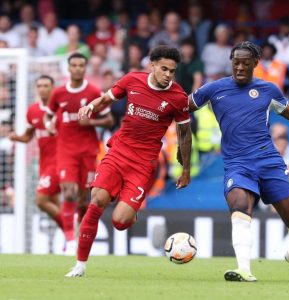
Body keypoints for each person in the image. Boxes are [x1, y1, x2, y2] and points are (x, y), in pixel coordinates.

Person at [188, 41, 289, 282]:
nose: (240, 68)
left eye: (246, 63)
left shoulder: (268, 90)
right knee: (239, 207)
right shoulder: (213, 89)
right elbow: (181, 108)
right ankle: (244, 269)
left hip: (269, 162)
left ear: (256, 64)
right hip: (237, 164)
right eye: (236, 63)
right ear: (231, 63)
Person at [65, 45, 192, 277]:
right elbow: (106, 99)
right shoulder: (132, 80)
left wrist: (186, 169)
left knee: (120, 222)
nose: (167, 75)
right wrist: (90, 107)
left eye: (172, 71)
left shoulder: (178, 97)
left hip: (143, 164)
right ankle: (80, 265)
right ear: (151, 65)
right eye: (163, 69)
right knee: (96, 200)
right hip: (118, 152)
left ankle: (131, 211)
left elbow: (185, 133)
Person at [45, 53, 114, 254]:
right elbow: (49, 115)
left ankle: (77, 235)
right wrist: (49, 125)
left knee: (84, 200)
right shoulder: (58, 93)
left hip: (88, 151)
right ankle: (69, 241)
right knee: (68, 191)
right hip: (66, 150)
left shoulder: (93, 91)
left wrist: (91, 122)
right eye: (73, 65)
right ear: (68, 68)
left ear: (85, 68)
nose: (77, 68)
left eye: (81, 65)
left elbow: (109, 119)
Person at [8, 75, 64, 232]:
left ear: (53, 88)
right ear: (36, 89)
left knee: (40, 200)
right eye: (40, 86)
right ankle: (71, 239)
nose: (43, 89)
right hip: (44, 163)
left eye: (47, 85)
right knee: (54, 202)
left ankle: (71, 227)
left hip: (59, 161)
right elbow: (28, 136)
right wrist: (16, 137)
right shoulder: (32, 110)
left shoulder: (60, 110)